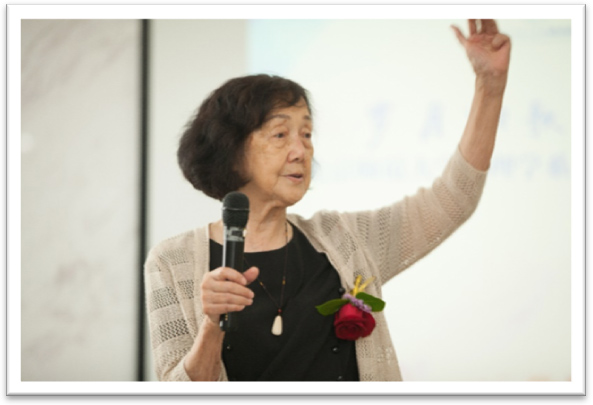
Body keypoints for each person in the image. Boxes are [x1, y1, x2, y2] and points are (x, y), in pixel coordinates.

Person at [144, 19, 511, 381]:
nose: (301, 150)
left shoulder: (345, 239)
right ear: (231, 150)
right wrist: (212, 324)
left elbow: (453, 199)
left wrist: (490, 87)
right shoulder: (171, 262)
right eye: (280, 134)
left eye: (306, 134)